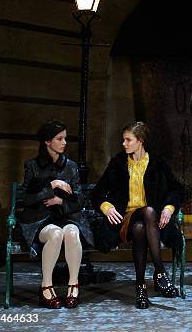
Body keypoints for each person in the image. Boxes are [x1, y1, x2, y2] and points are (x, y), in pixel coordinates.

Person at [91, 121, 183, 309]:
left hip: (149, 225)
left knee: (141, 227)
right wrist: (107, 207)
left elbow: (177, 189)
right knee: (148, 212)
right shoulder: (118, 163)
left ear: (140, 141)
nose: (124, 144)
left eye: (128, 140)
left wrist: (169, 208)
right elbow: (97, 193)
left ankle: (141, 288)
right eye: (123, 140)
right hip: (124, 220)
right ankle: (160, 271)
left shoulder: (156, 163)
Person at [20, 120, 93, 309]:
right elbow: (26, 199)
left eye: (65, 138)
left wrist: (60, 201)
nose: (64, 143)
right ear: (47, 141)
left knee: (72, 232)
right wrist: (51, 186)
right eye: (59, 139)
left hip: (66, 216)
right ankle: (46, 286)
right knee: (56, 234)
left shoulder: (71, 166)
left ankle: (73, 285)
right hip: (40, 219)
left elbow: (79, 201)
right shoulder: (32, 166)